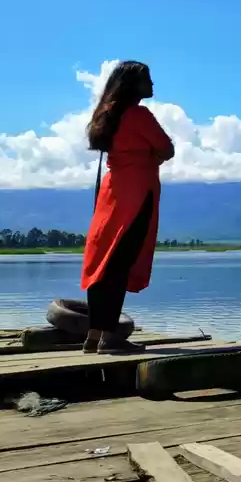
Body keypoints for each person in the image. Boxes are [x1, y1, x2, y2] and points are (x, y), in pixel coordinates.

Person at [81, 61, 174, 354]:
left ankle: (93, 336)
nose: (153, 85)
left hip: (111, 196)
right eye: (147, 79)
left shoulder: (106, 114)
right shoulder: (139, 115)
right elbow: (167, 149)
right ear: (133, 85)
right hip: (136, 194)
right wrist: (151, 156)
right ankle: (110, 338)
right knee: (119, 265)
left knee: (104, 264)